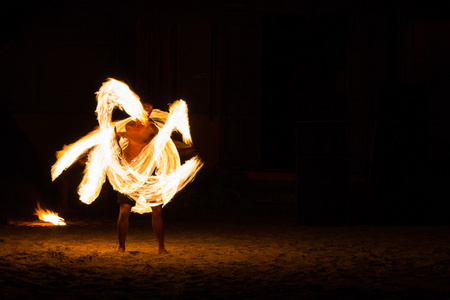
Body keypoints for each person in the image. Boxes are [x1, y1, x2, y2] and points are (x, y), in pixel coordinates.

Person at [115, 102, 168, 254]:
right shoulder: (128, 125)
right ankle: (121, 247)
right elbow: (124, 143)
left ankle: (161, 247)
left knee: (157, 210)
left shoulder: (152, 128)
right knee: (124, 211)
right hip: (129, 174)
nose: (148, 112)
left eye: (150, 110)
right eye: (145, 108)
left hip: (146, 173)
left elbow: (144, 138)